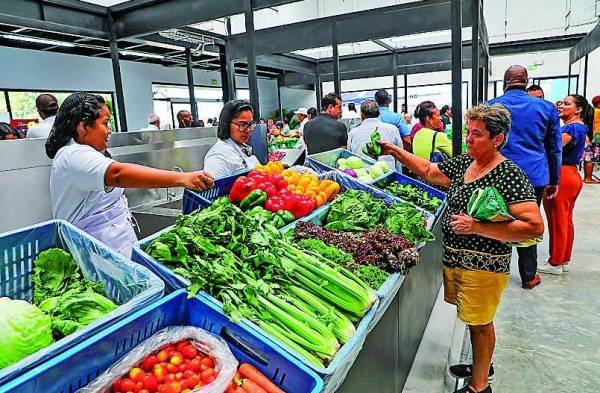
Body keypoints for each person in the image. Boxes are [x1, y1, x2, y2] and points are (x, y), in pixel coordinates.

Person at [380, 104, 544, 393]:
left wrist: (477, 226)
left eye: (477, 134)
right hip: (459, 261)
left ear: (498, 139)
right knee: (472, 317)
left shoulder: (508, 174)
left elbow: (534, 226)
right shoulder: (465, 164)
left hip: (485, 265)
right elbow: (430, 171)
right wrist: (397, 152)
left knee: (481, 324)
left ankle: (479, 386)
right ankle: (480, 364)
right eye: (468, 132)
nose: (468, 139)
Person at [45, 92, 214, 257]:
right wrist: (183, 178)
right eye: (105, 123)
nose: (109, 130)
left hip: (112, 248)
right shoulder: (73, 155)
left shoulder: (88, 153)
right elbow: (117, 174)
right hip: (94, 254)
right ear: (83, 127)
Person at [486, 65, 561, 290]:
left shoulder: (490, 107)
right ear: (526, 82)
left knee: (491, 219)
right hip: (533, 176)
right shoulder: (546, 108)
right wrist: (554, 179)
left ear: (505, 82)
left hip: (498, 174)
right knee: (527, 223)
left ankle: (491, 272)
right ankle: (528, 276)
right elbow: (554, 147)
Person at [538, 95, 589, 275]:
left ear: (578, 109)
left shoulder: (572, 128)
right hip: (570, 174)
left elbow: (553, 148)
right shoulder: (578, 127)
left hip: (563, 174)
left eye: (567, 104)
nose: (561, 105)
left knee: (558, 220)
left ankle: (555, 263)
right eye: (561, 102)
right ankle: (562, 258)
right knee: (564, 219)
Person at [203, 99, 261, 178]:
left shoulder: (241, 146)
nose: (248, 130)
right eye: (242, 124)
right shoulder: (218, 158)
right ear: (226, 124)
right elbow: (214, 188)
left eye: (250, 124)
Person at [347, 100, 403, 170]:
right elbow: (399, 155)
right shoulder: (392, 129)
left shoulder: (353, 133)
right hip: (389, 174)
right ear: (379, 114)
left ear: (362, 115)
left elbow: (350, 156)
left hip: (363, 177)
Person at [583, 95, 600, 183]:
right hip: (596, 138)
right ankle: (588, 178)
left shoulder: (590, 111)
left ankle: (586, 177)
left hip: (588, 137)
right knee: (592, 158)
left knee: (587, 157)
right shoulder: (598, 112)